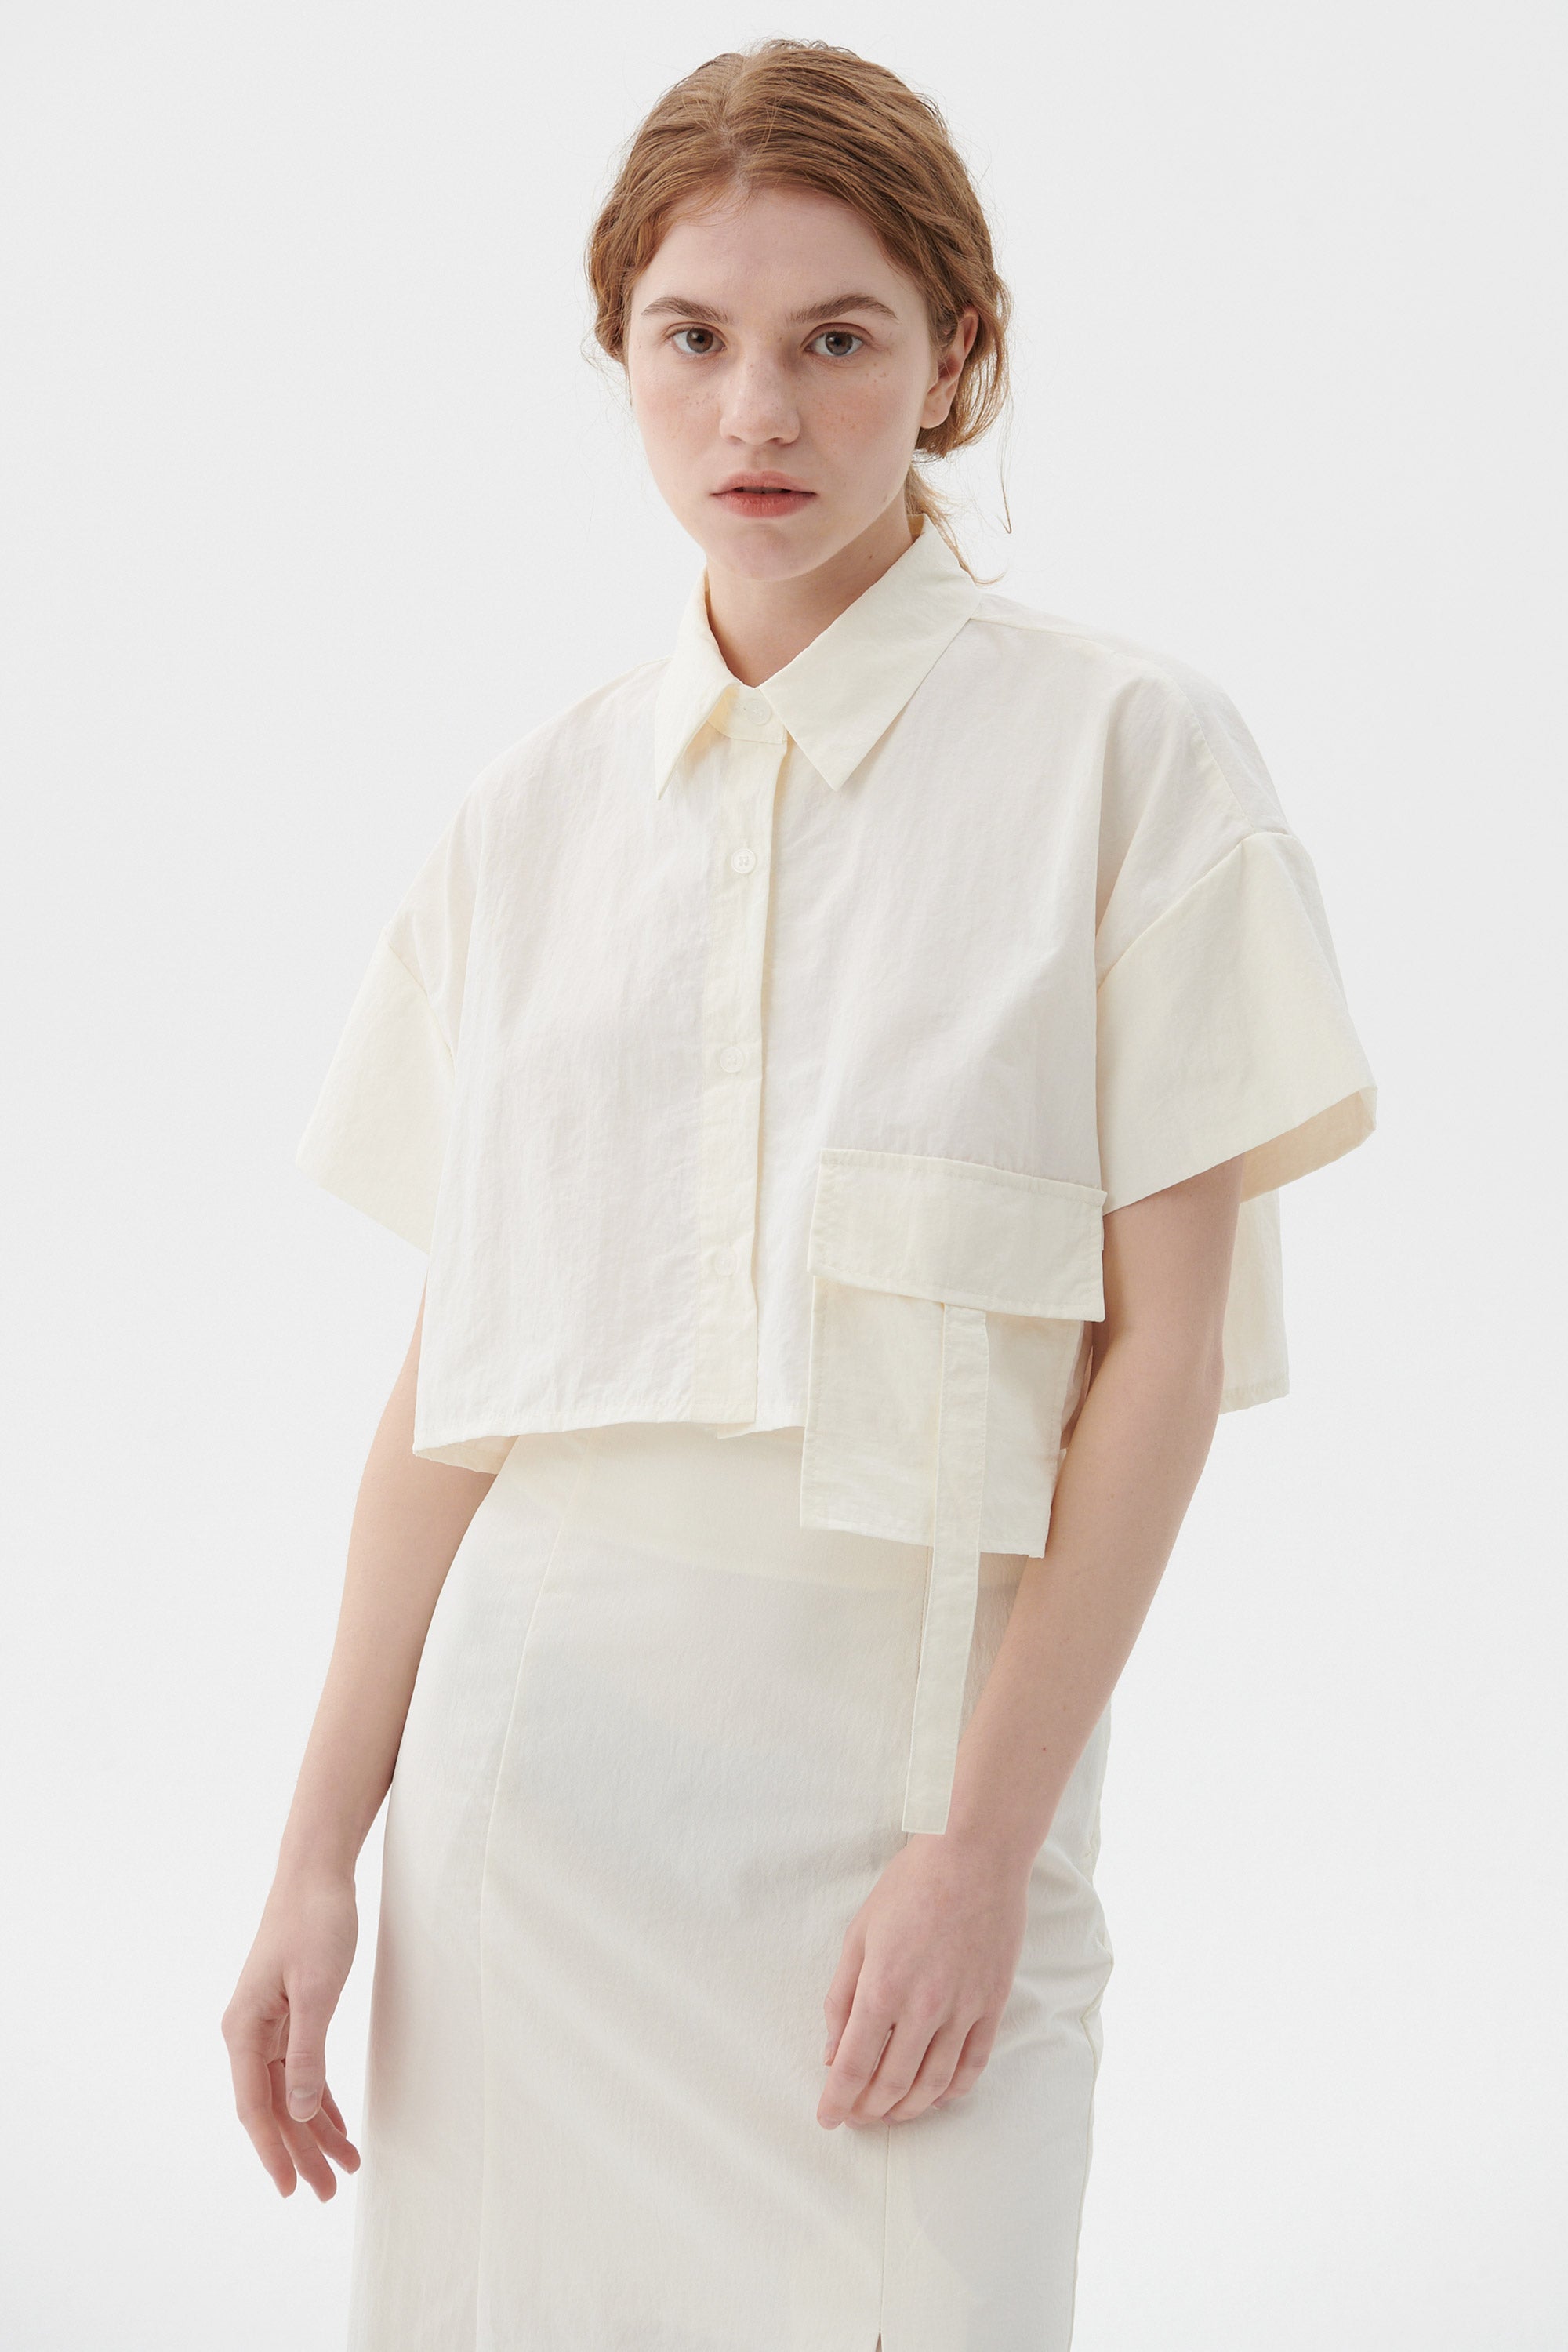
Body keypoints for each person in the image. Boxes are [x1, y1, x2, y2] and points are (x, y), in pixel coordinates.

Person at [221, 37, 1376, 2352]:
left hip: (914, 1810)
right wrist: (315, 1857)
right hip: (527, 1829)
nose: (758, 409)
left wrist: (981, 1857)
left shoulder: (1126, 759)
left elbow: (1155, 1368)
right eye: (694, 338)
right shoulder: (529, 816)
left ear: (956, 354)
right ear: (622, 354)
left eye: (837, 338)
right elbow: (452, 1394)